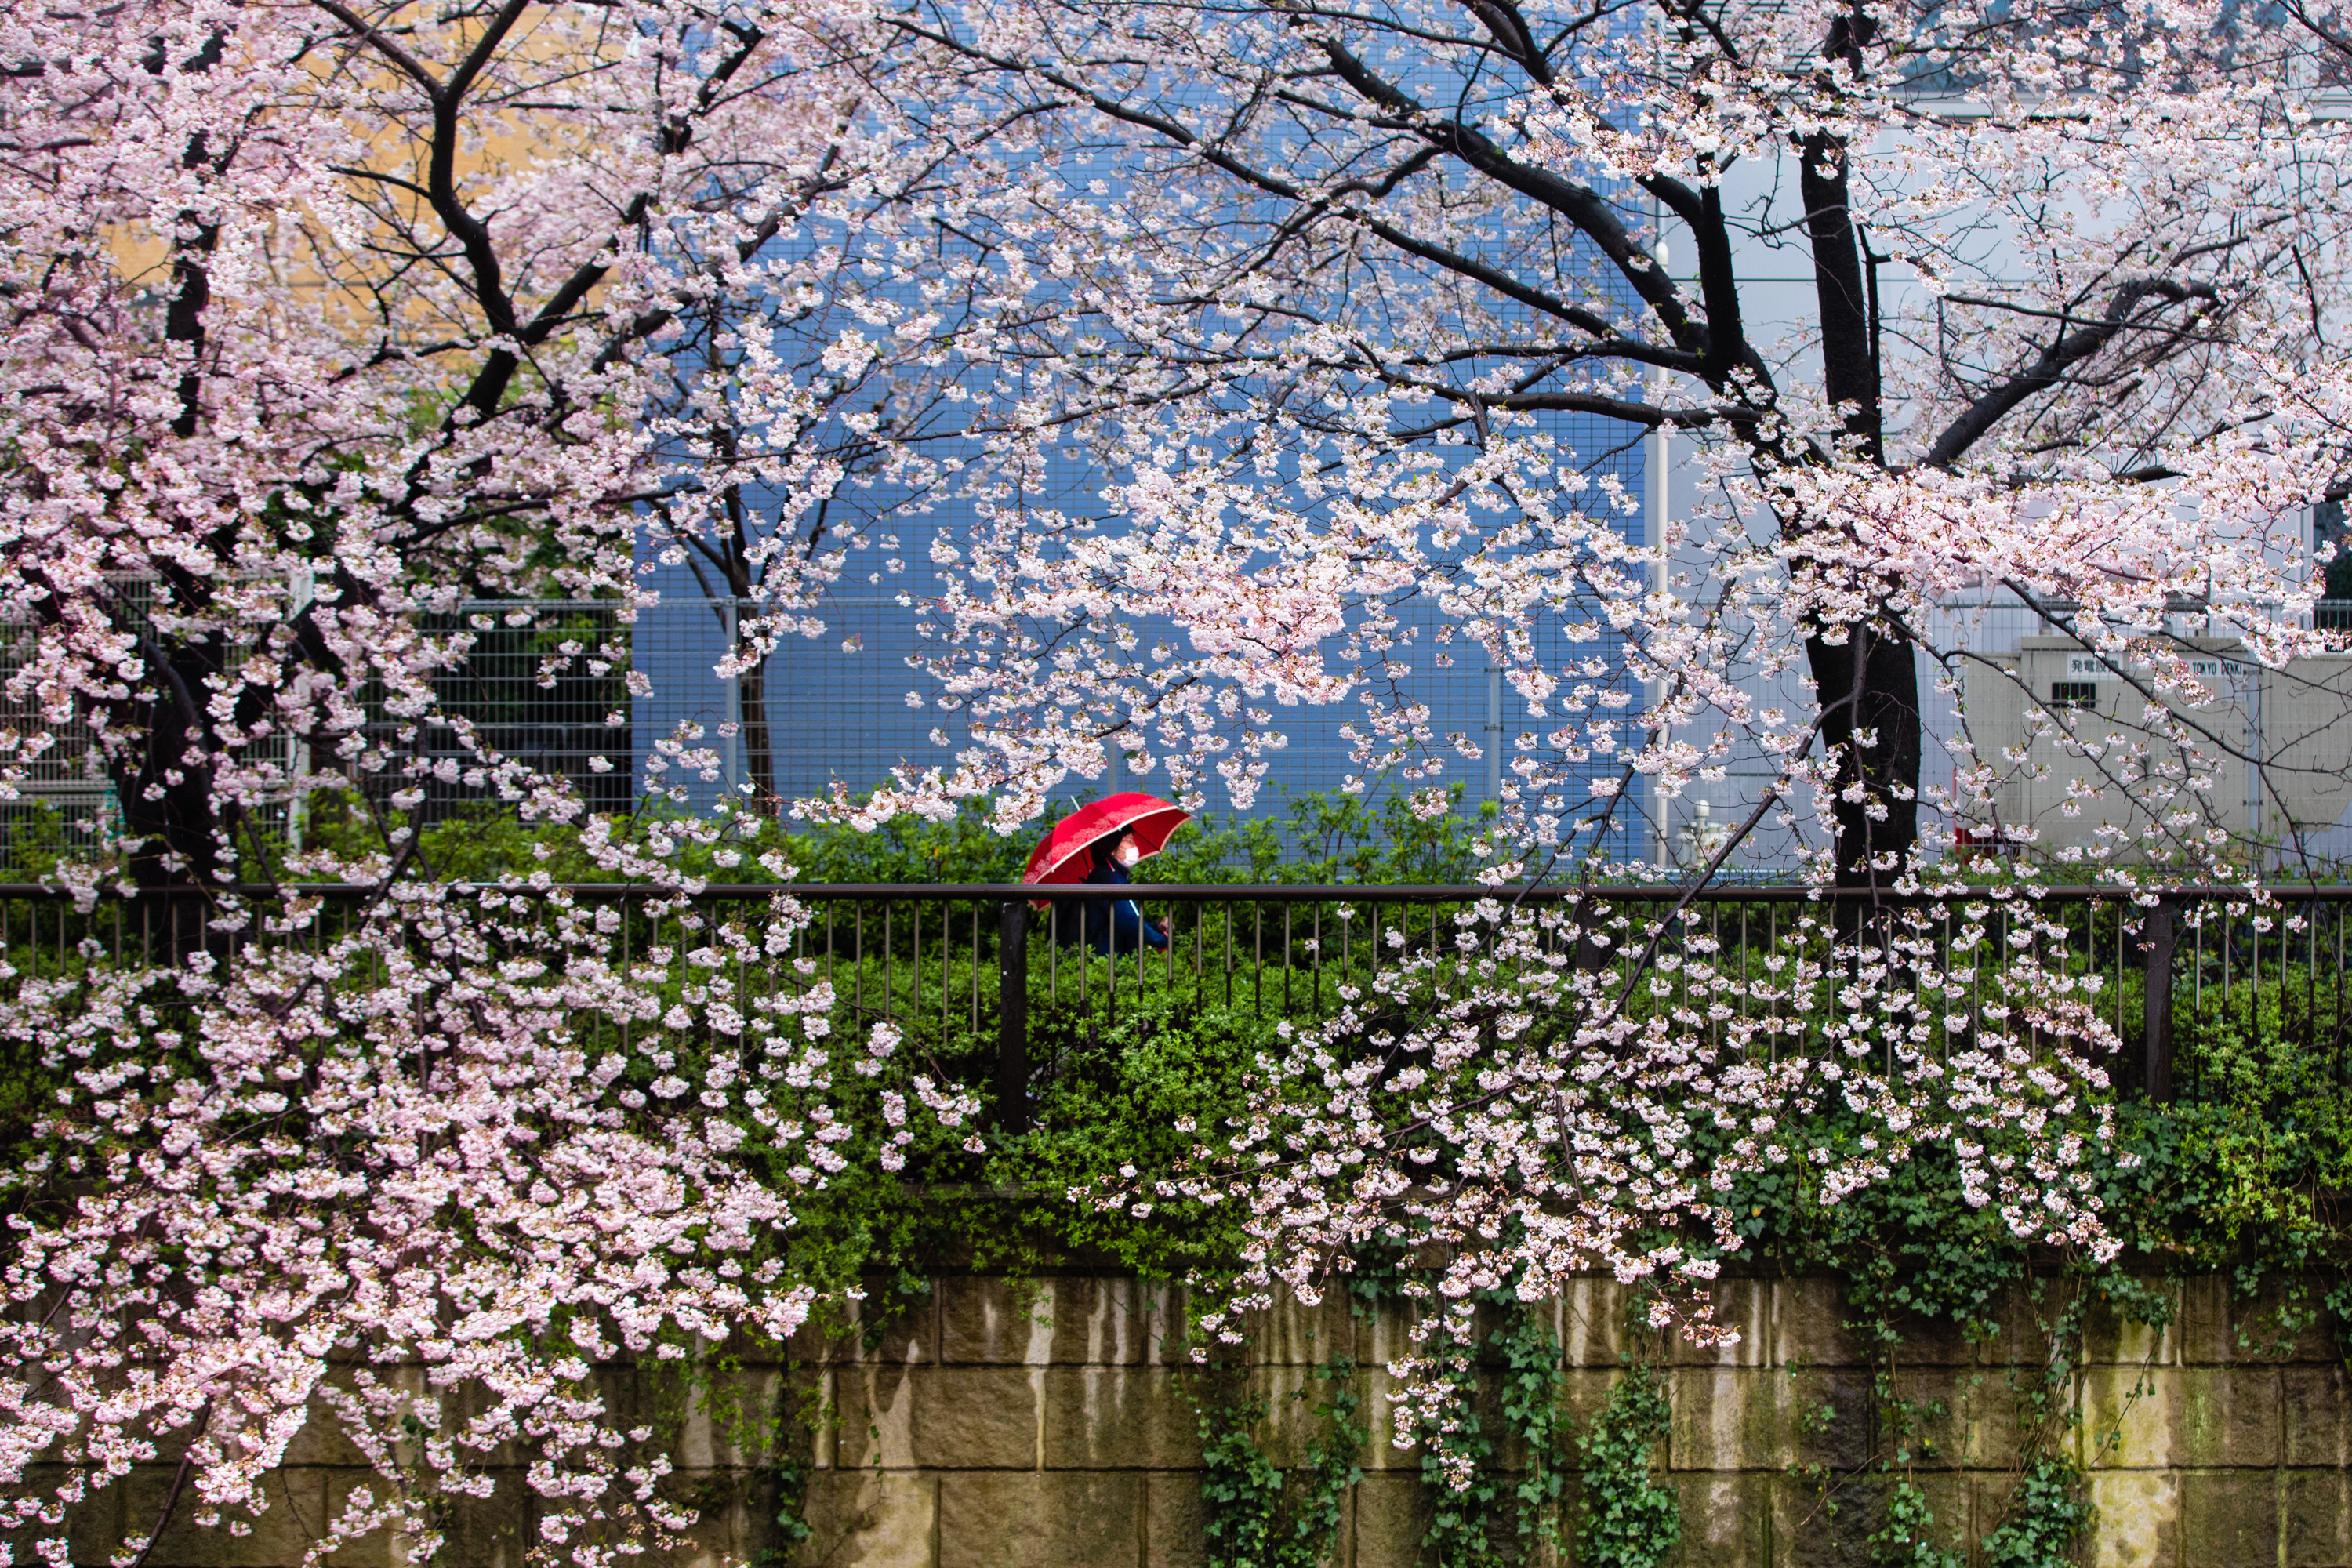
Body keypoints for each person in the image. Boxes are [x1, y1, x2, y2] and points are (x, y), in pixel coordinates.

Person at [1071, 825, 1170, 956]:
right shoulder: (1109, 877)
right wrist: (1161, 940)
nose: (1134, 847)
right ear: (1112, 848)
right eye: (1129, 841)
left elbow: (1127, 917)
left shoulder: (1112, 874)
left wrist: (1155, 928)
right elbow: (1127, 920)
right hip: (1108, 959)